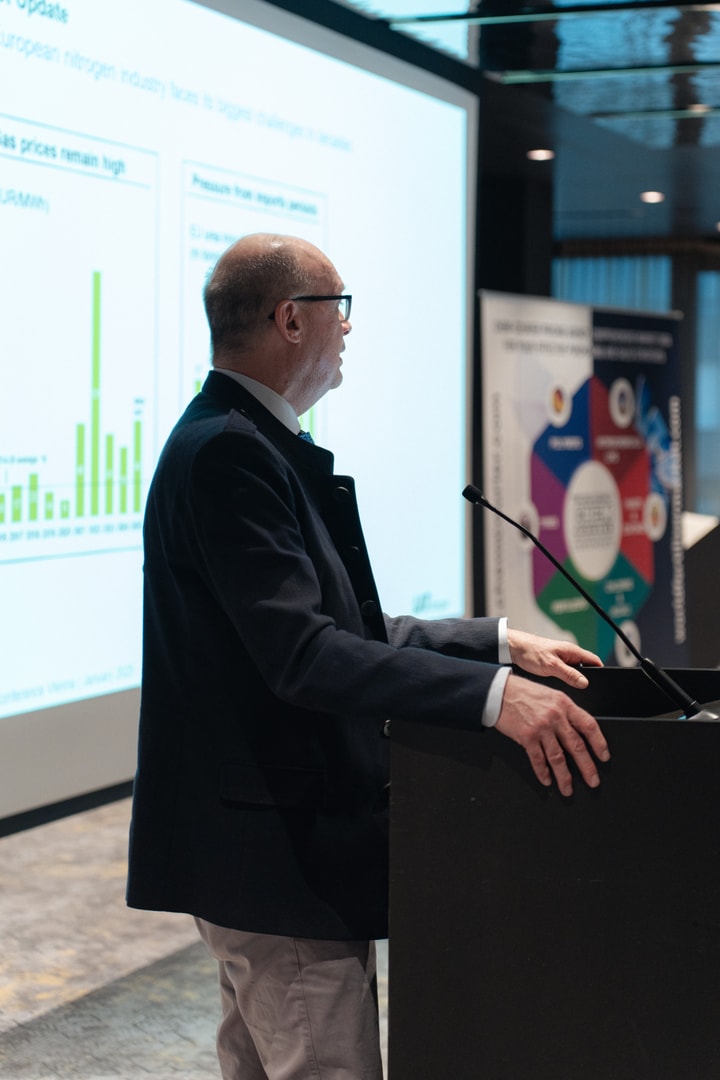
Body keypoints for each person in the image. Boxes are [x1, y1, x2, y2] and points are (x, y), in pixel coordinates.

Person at [127, 233, 610, 1080]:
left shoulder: (242, 439)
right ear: (290, 319)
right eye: (337, 307)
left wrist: (495, 644)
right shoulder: (231, 454)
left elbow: (339, 624)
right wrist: (494, 698)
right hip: (276, 859)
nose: (347, 328)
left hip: (265, 853)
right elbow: (307, 656)